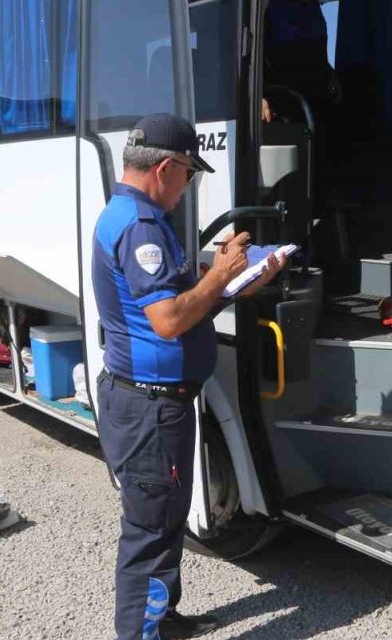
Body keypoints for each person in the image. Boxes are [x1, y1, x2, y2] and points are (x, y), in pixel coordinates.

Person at [91, 113, 286, 640]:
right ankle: (142, 634)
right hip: (148, 409)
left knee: (166, 521)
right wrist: (220, 275)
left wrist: (236, 280)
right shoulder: (140, 227)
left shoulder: (136, 215)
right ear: (167, 167)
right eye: (189, 174)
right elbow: (170, 319)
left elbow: (182, 299)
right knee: (150, 530)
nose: (187, 186)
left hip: (153, 405)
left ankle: (163, 621)